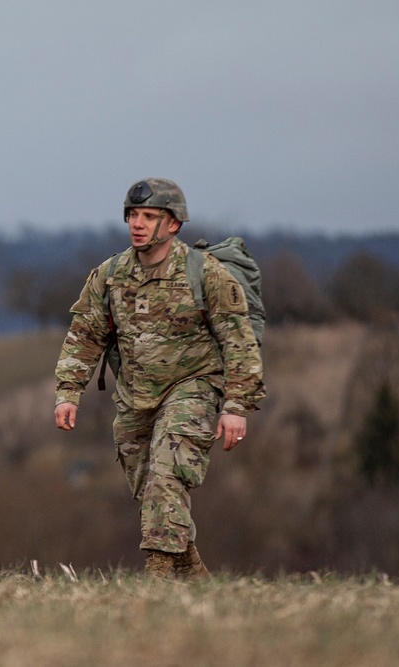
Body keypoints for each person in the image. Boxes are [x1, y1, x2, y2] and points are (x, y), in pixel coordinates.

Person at [53, 178, 265, 579]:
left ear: (173, 225)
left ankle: (157, 579)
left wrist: (236, 407)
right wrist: (68, 393)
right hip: (135, 398)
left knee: (167, 474)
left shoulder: (207, 275)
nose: (137, 223)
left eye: (149, 216)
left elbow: (240, 343)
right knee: (151, 488)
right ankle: (195, 576)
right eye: (133, 215)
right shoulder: (110, 275)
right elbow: (84, 334)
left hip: (194, 388)